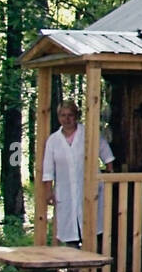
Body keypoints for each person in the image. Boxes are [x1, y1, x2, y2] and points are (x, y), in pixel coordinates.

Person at [42, 100, 114, 248]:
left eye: (70, 115)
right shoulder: (53, 141)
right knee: (70, 233)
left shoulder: (89, 134)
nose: (66, 119)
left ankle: (94, 268)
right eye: (63, 115)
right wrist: (48, 191)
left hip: (89, 189)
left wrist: (107, 176)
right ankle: (74, 269)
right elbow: (48, 169)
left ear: (76, 116)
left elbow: (107, 155)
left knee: (93, 229)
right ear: (58, 117)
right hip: (65, 191)